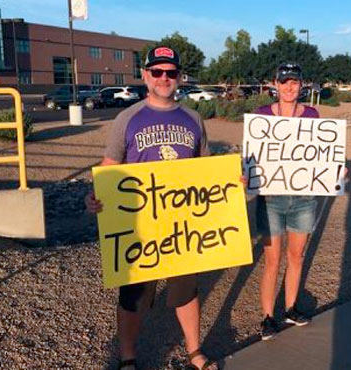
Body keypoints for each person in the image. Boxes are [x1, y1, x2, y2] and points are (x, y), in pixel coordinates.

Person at [85, 46, 218, 370]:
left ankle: (194, 351)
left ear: (179, 77)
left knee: (186, 290)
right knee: (133, 296)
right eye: (156, 72)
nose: (163, 78)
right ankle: (128, 356)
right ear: (145, 76)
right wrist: (95, 195)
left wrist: (229, 183)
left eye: (170, 72)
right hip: (138, 227)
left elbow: (206, 168)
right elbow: (110, 166)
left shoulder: (193, 119)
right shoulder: (127, 119)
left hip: (182, 226)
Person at [252, 63, 320, 340]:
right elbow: (252, 155)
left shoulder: (314, 116)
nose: (290, 87)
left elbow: (322, 154)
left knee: (296, 256)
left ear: (302, 84)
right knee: (271, 260)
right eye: (284, 82)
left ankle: (290, 308)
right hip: (270, 198)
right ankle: (268, 316)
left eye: (294, 82)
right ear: (275, 85)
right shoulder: (262, 116)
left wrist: (335, 170)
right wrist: (247, 174)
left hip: (304, 197)